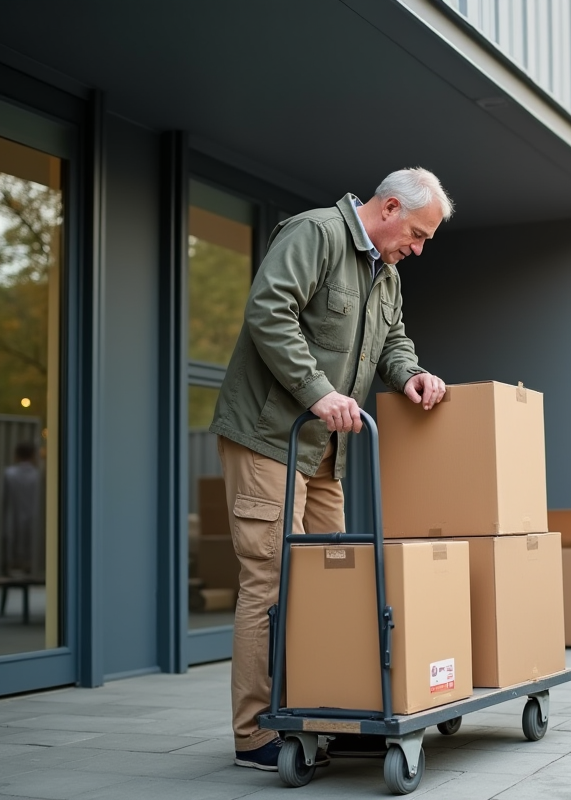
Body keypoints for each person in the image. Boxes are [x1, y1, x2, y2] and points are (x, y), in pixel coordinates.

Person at [209, 168, 451, 771]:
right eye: (418, 234)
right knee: (270, 581)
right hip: (270, 437)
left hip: (325, 452)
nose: (418, 250)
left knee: (329, 581)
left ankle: (324, 713)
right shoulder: (316, 234)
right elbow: (269, 312)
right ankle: (256, 732)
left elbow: (391, 340)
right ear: (391, 207)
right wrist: (317, 391)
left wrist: (410, 374)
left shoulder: (386, 273)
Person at [1, 441, 41, 577]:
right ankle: (30, 568)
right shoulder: (38, 475)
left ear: (16, 455)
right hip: (34, 517)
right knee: (32, 543)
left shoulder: (9, 473)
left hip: (12, 515)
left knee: (12, 541)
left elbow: (3, 498)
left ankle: (10, 567)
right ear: (33, 455)